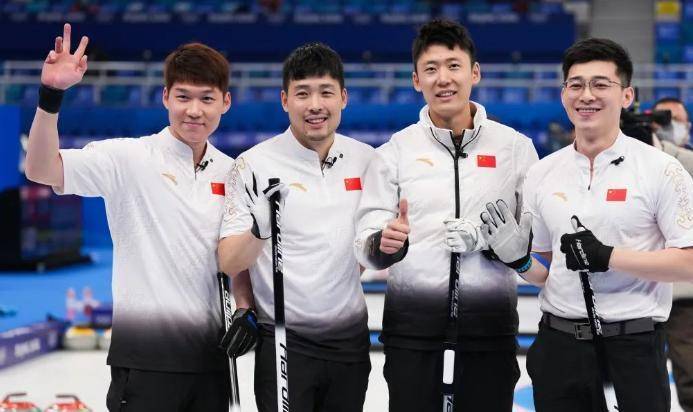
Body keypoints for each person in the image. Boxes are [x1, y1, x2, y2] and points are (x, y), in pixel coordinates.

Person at [24, 23, 234, 411]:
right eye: (183, 96)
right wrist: (51, 95)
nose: (194, 110)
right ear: (165, 97)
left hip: (213, 361)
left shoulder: (233, 173)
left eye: (207, 98)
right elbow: (40, 168)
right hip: (144, 358)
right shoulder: (128, 158)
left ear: (225, 102)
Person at [480, 38, 693, 412]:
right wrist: (520, 261)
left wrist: (609, 256)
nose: (586, 95)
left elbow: (688, 263)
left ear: (626, 95)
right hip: (560, 343)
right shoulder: (542, 172)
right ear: (564, 94)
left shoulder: (662, 169)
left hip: (634, 343)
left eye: (600, 84)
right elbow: (548, 270)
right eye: (576, 85)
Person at [353, 19, 538, 411]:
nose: (443, 78)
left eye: (454, 66)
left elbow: (536, 233)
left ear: (475, 72)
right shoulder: (395, 152)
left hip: (490, 328)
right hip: (412, 331)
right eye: (431, 68)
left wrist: (493, 243)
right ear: (416, 80)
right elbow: (366, 240)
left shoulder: (515, 149)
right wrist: (383, 243)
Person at [217, 42, 373, 412]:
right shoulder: (253, 165)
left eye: (326, 92)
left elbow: (369, 249)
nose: (315, 105)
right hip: (284, 343)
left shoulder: (367, 160)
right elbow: (229, 261)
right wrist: (260, 228)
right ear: (285, 100)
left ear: (344, 97)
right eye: (302, 93)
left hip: (350, 342)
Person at [651, 97, 693, 412]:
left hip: (685, 290)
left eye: (676, 119)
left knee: (690, 372)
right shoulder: (634, 161)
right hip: (641, 286)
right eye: (664, 119)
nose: (671, 126)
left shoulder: (687, 161)